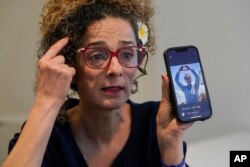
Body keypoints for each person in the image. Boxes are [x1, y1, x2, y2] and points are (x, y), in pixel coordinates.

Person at [3, 0, 192, 166]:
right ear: (70, 63)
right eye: (97, 56)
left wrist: (171, 146)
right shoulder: (49, 136)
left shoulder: (155, 123)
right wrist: (46, 101)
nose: (116, 69)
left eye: (127, 54)